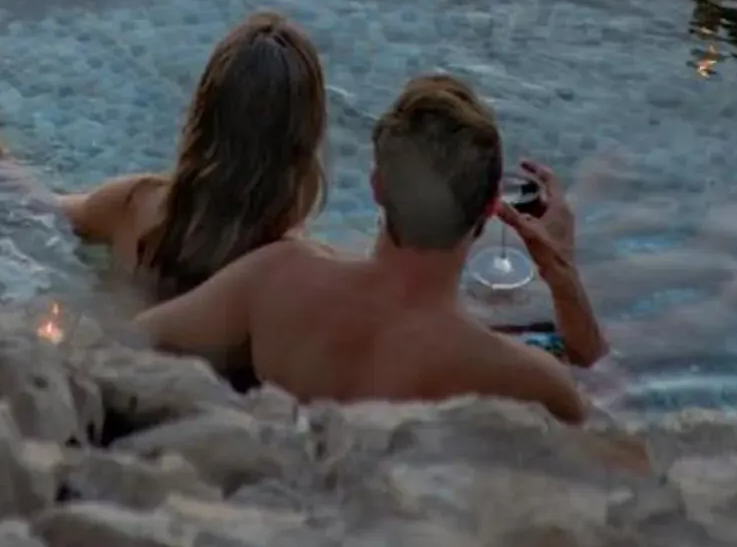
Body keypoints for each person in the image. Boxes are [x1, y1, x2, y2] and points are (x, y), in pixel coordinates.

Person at [135, 71, 608, 427]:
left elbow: (130, 340)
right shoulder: (512, 371)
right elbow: (600, 404)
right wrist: (562, 271)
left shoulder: (276, 277)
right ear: (490, 209)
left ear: (377, 186)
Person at [0, 8, 329, 299]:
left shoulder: (140, 208)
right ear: (305, 146)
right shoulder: (300, 274)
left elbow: (29, 204)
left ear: (203, 114)